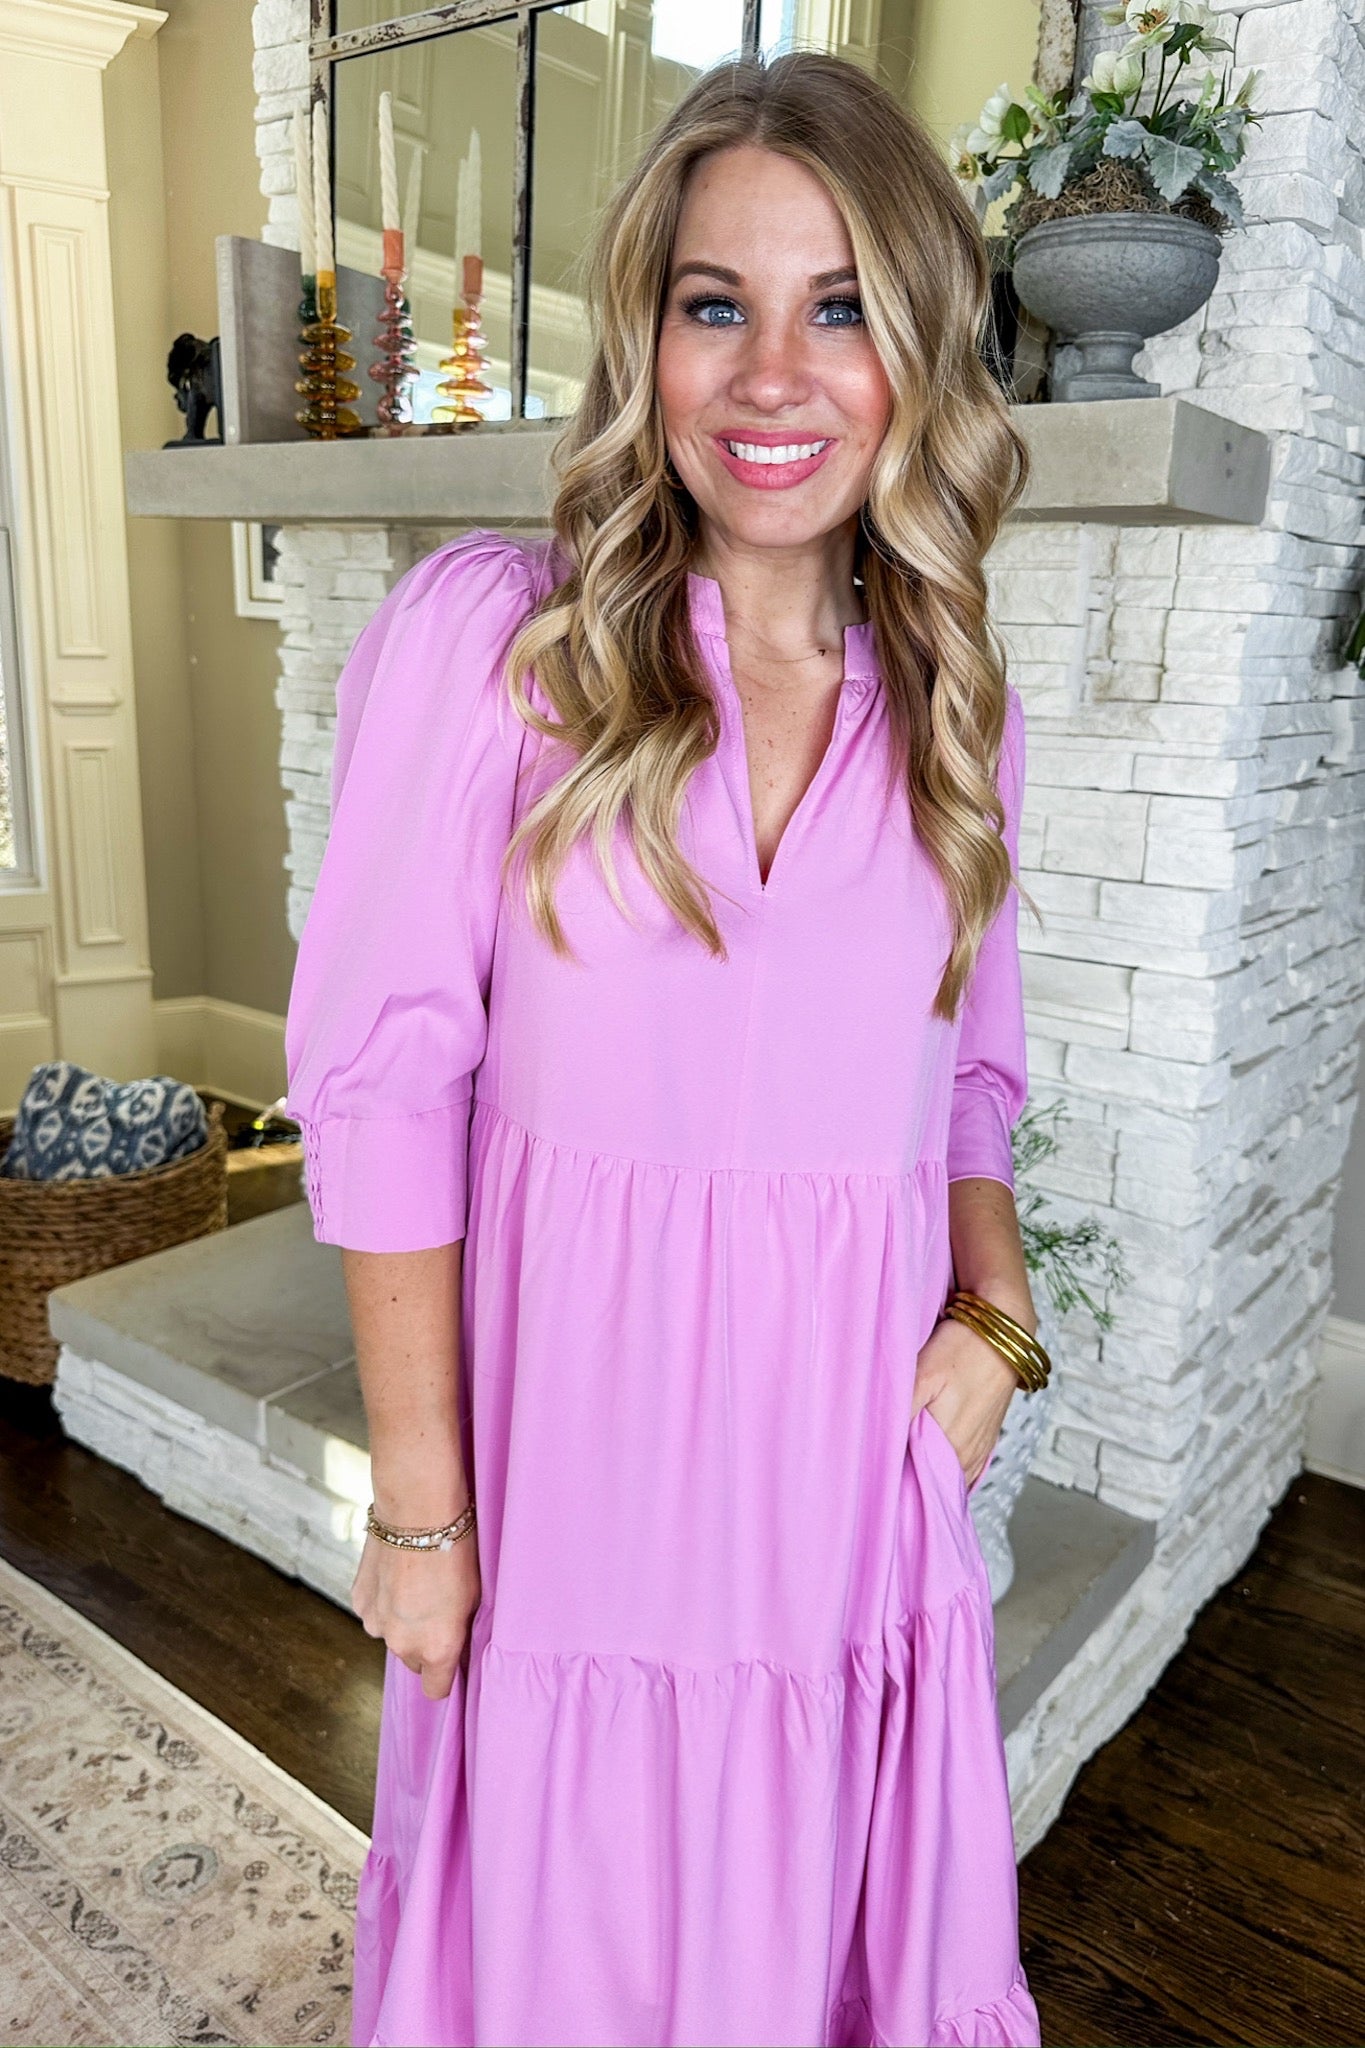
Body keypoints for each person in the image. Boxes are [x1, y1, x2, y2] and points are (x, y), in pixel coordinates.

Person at [284, 48, 1044, 2048]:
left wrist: (994, 1310)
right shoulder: (498, 648)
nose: (771, 376)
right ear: (647, 333)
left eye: (839, 310)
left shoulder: (953, 711)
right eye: (718, 304)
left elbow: (970, 1077)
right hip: (574, 1505)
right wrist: (422, 1516)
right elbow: (385, 1093)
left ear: (918, 354)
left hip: (842, 1504)